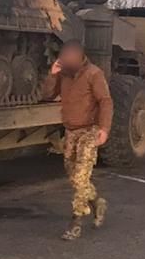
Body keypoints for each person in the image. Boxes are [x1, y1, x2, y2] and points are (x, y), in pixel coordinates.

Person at [41, 41, 112, 241]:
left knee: (81, 177)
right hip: (71, 131)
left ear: (80, 57)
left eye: (69, 57)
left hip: (89, 130)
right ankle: (97, 202)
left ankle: (76, 222)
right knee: (74, 177)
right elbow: (47, 95)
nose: (66, 60)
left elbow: (105, 101)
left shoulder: (94, 74)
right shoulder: (63, 74)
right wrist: (52, 75)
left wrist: (104, 129)